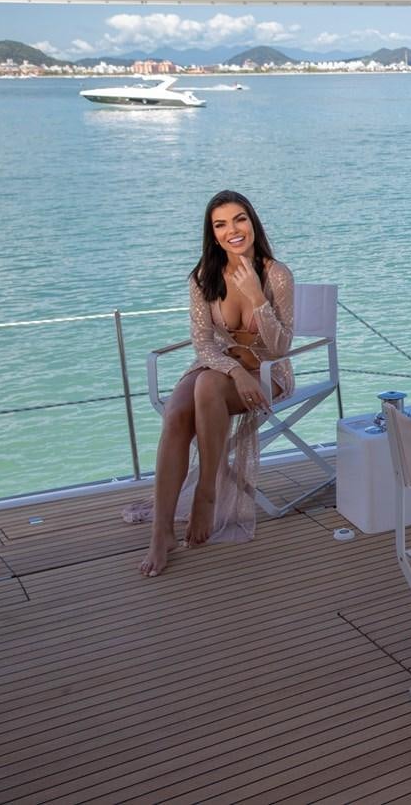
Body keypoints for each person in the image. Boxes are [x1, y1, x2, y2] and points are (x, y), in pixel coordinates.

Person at [135, 190, 295, 577]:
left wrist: (258, 297)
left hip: (267, 372)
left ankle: (206, 491)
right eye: (220, 224)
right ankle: (161, 532)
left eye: (239, 219)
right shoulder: (203, 277)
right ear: (213, 233)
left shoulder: (277, 274)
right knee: (176, 415)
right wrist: (234, 371)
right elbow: (203, 343)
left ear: (252, 222)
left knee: (207, 386)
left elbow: (280, 347)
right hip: (219, 365)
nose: (232, 230)